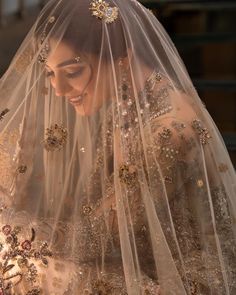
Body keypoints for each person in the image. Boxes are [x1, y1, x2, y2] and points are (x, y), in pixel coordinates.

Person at [0, 0, 235, 294]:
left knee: (23, 268)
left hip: (187, 281)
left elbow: (95, 236)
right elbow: (92, 208)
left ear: (122, 58)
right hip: (140, 264)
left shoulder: (170, 130)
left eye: (72, 72)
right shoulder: (126, 103)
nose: (58, 90)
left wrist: (14, 230)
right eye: (50, 73)